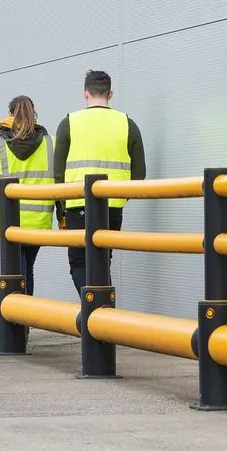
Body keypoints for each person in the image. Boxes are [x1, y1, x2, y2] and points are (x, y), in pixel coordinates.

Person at [54, 70, 147, 296]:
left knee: (79, 262)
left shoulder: (69, 123)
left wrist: (62, 209)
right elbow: (140, 174)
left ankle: (95, 311)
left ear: (85, 93)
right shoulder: (127, 124)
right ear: (111, 94)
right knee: (104, 259)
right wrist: (120, 196)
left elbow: (58, 174)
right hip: (113, 205)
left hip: (78, 204)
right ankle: (102, 314)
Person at [0, 95, 57, 296]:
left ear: (10, 114)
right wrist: (62, 216)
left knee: (16, 270)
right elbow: (59, 180)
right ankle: (24, 319)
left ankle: (16, 321)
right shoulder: (48, 142)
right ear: (33, 113)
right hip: (38, 220)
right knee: (27, 267)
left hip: (9, 220)